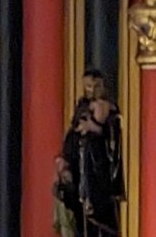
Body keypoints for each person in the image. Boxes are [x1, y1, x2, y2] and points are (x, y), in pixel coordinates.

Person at [52, 66, 123, 237]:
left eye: (95, 86)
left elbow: (113, 138)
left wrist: (94, 127)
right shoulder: (82, 107)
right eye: (88, 86)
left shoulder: (110, 111)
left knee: (98, 215)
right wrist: (64, 160)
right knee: (71, 203)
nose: (91, 90)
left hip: (98, 168)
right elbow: (73, 134)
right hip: (80, 166)